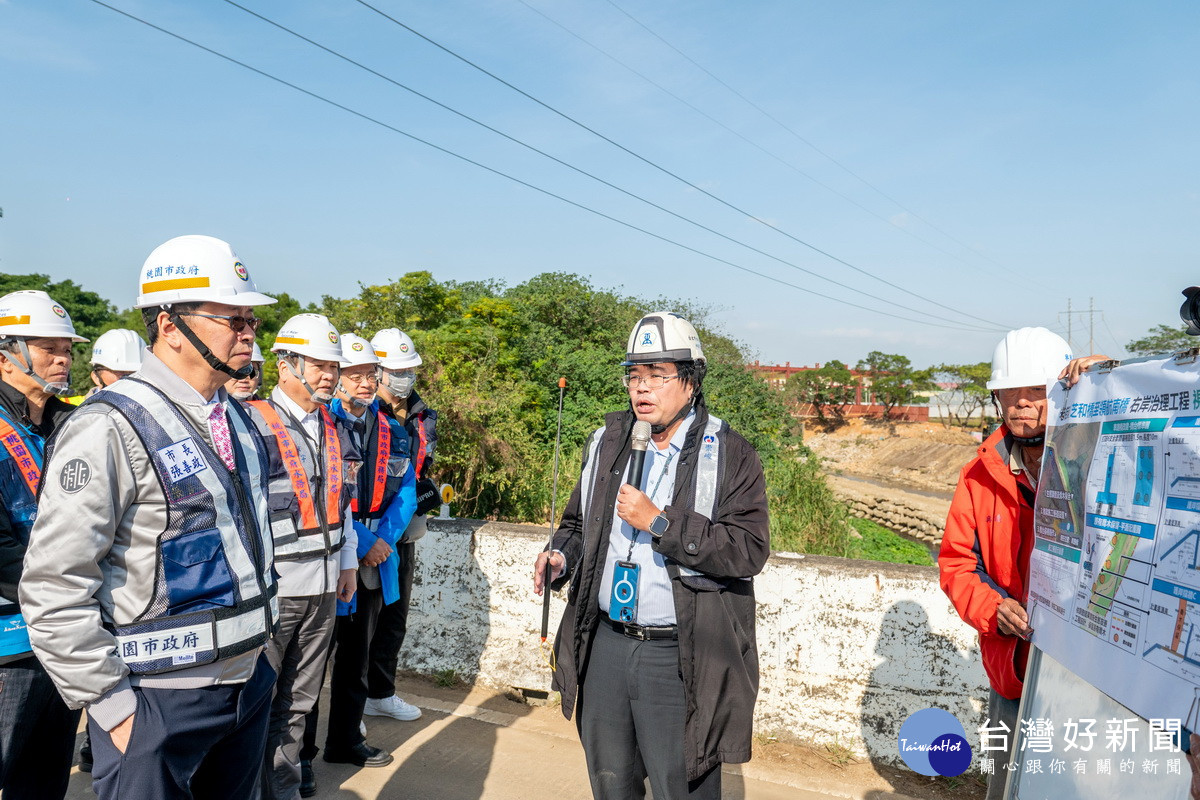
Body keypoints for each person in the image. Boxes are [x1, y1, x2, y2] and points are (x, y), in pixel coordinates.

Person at [19, 234, 280, 800]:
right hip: (158, 701)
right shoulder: (109, 426)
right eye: (230, 318)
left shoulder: (237, 419)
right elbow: (53, 583)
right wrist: (112, 707)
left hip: (247, 685)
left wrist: (259, 669)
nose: (247, 332)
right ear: (169, 325)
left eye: (250, 320)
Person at [533, 311, 770, 799]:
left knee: (679, 787)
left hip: (679, 655)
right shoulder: (607, 443)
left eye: (658, 376)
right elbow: (577, 526)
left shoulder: (730, 453)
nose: (642, 389)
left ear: (690, 383)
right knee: (611, 782)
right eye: (634, 376)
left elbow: (748, 550)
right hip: (605, 648)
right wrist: (559, 555)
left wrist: (661, 523)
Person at [938, 326, 1072, 800]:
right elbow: (956, 563)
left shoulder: (1096, 457)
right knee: (1009, 783)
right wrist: (994, 609)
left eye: (1036, 390)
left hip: (1087, 672)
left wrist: (1103, 381)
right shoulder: (978, 475)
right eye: (1009, 391)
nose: (1021, 403)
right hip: (1014, 668)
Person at [243, 313, 367, 799]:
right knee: (256, 701)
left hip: (323, 585)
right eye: (318, 365)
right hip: (274, 590)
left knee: (300, 701)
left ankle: (284, 788)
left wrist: (348, 561)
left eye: (333, 366)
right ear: (286, 364)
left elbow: (343, 503)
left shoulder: (334, 427)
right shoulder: (251, 422)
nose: (330, 376)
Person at [298, 332, 417, 796]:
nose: (366, 384)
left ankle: (345, 741)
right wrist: (362, 539)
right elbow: (322, 487)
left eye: (371, 374)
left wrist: (381, 540)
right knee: (309, 663)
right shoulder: (320, 425)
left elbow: (406, 489)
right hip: (332, 553)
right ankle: (299, 757)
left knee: (357, 658)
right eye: (355, 375)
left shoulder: (392, 430)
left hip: (374, 556)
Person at [0, 289, 87, 799]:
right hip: (9, 640)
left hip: (66, 634)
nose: (62, 359)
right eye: (47, 348)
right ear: (6, 356)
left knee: (45, 776)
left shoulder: (73, 424)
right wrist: (50, 591)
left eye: (67, 348)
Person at [362, 328, 439, 722]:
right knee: (361, 624)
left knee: (394, 616)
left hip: (403, 532)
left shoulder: (423, 414)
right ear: (377, 371)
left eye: (410, 369)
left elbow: (417, 470)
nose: (405, 377)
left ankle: (382, 692)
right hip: (367, 534)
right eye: (397, 369)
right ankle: (352, 701)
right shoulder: (363, 412)